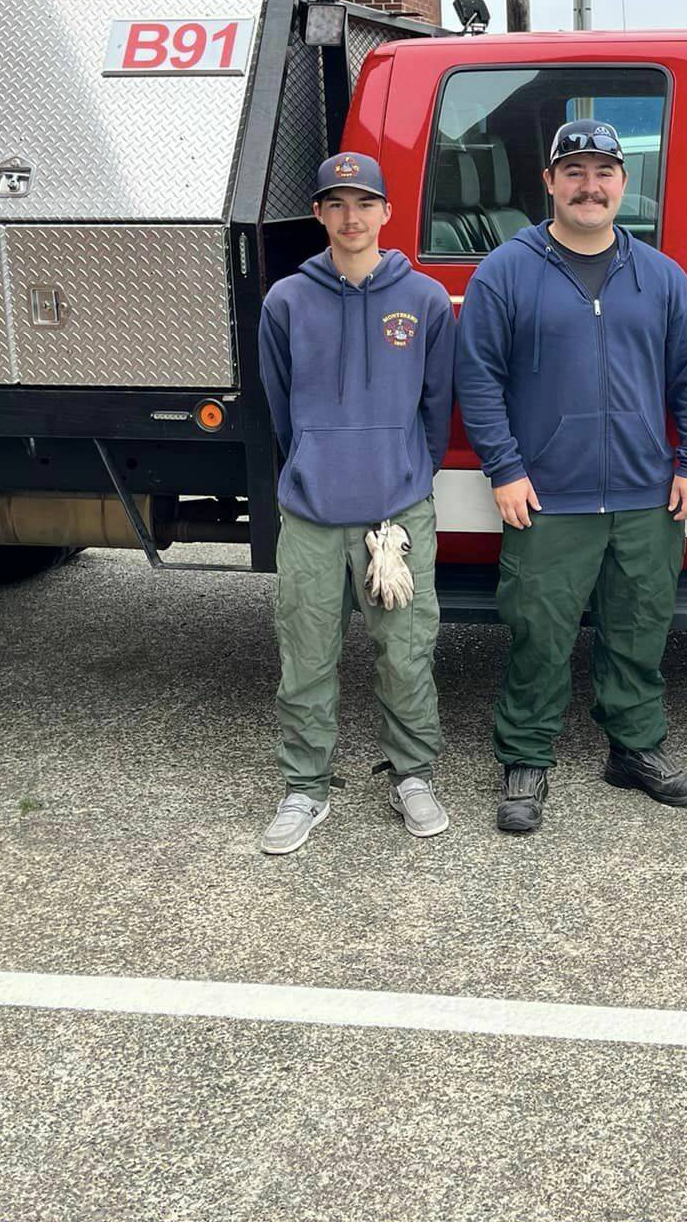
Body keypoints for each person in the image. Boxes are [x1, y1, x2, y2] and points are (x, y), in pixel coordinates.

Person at [454, 118, 687, 834]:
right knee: (538, 632)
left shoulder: (660, 276)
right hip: (548, 495)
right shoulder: (505, 272)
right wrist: (504, 469)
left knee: (639, 628)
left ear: (624, 185)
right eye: (573, 172)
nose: (589, 186)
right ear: (549, 183)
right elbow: (476, 378)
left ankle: (634, 750)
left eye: (603, 172)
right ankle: (525, 759)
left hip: (645, 493)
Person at [255, 151, 455, 854]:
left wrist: (403, 478)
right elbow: (280, 409)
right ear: (318, 214)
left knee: (405, 651)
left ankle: (414, 776)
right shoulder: (286, 300)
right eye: (336, 204)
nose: (351, 217)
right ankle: (305, 787)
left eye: (365, 203)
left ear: (387, 213)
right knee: (305, 655)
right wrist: (316, 461)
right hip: (311, 513)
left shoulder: (425, 299)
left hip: (394, 515)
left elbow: (437, 408)